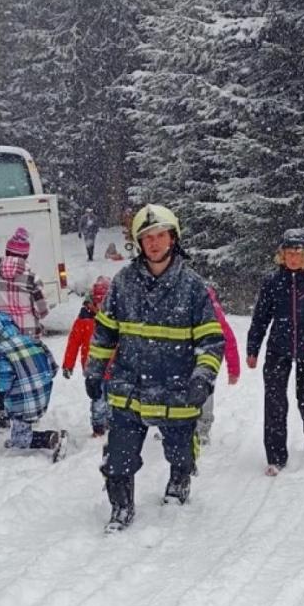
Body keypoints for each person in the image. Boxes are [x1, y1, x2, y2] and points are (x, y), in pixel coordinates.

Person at [84, 203, 225, 532]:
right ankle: (120, 506)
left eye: (161, 235)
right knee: (118, 457)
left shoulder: (192, 287)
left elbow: (211, 340)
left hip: (176, 390)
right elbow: (104, 330)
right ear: (138, 242)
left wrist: (202, 378)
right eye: (147, 237)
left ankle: (179, 480)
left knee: (179, 450)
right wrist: (95, 369)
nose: (155, 242)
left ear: (173, 238)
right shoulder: (122, 283)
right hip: (129, 388)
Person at [246, 228, 304, 475]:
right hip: (278, 349)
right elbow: (260, 318)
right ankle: (276, 457)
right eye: (289, 253)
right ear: (281, 255)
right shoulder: (272, 282)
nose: (293, 258)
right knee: (275, 403)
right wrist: (252, 348)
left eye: (298, 253)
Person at [0, 311, 65, 458]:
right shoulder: (34, 341)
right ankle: (21, 433)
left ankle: (53, 438)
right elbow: (53, 369)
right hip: (43, 396)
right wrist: (34, 379)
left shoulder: (0, 351)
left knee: (21, 439)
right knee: (20, 411)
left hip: (23, 403)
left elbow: (2, 385)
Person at [0, 227, 49, 428]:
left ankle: (3, 410)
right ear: (26, 255)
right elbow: (42, 309)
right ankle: (26, 412)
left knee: (4, 372)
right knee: (27, 373)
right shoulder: (32, 279)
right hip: (28, 336)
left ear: (6, 252)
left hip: (3, 335)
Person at [61, 276, 111, 437]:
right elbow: (73, 344)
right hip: (92, 369)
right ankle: (98, 428)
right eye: (97, 303)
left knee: (114, 399)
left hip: (114, 368)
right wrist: (68, 365)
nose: (100, 307)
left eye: (104, 303)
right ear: (91, 302)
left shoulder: (116, 318)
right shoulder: (84, 320)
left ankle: (112, 422)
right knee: (97, 399)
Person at [196, 285, 240, 446]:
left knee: (204, 390)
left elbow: (229, 340)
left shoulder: (214, 313)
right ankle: (174, 425)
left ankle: (203, 429)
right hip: (183, 355)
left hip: (207, 355)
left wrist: (233, 370)